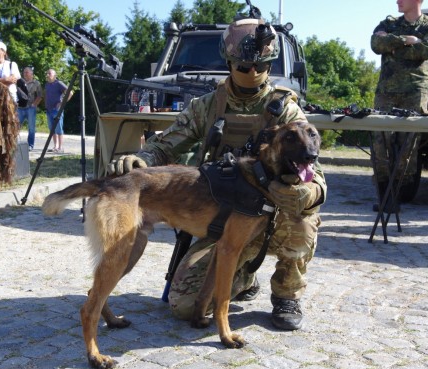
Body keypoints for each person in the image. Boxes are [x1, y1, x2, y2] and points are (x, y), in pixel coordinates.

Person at [108, 18, 326, 331]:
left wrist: (308, 193)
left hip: (270, 214)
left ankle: (286, 294)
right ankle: (243, 275)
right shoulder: (207, 106)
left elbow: (315, 174)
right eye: (244, 67)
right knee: (185, 306)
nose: (252, 73)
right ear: (229, 63)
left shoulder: (285, 110)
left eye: (260, 67)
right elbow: (164, 145)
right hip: (221, 219)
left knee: (303, 220)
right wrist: (139, 159)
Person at [370, 0, 428, 203]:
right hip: (386, 91)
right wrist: (406, 39)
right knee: (380, 143)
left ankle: (403, 193)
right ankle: (384, 192)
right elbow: (376, 44)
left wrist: (392, 45)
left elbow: (426, 50)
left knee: (408, 145)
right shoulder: (389, 23)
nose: (397, 1)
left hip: (415, 91)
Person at [44, 69, 71, 153]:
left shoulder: (58, 83)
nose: (48, 75)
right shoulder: (47, 84)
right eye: (47, 73)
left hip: (57, 110)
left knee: (59, 129)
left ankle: (60, 147)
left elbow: (70, 92)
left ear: (54, 75)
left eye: (50, 73)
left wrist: (62, 102)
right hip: (49, 110)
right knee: (52, 129)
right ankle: (55, 146)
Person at [18, 67, 43, 150]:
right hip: (20, 108)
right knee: (15, 126)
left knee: (31, 128)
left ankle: (30, 145)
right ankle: (14, 143)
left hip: (30, 108)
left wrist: (34, 104)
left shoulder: (36, 83)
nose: (25, 74)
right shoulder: (19, 82)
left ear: (31, 74)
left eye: (27, 72)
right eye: (24, 72)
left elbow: (40, 95)